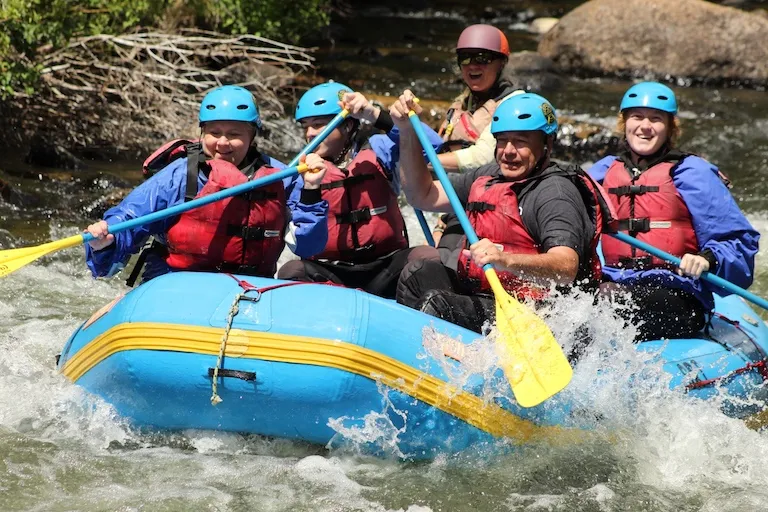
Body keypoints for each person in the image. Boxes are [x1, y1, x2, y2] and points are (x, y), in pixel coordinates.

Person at [391, 90, 610, 333]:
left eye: (521, 142)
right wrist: (407, 131)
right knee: (417, 273)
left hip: (539, 313)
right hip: (490, 294)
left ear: (547, 144)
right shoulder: (489, 176)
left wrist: (504, 260)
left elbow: (566, 266)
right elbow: (422, 196)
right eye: (502, 140)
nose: (508, 151)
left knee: (437, 304)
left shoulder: (555, 193)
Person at [84, 85, 328, 282]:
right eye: (214, 132)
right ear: (202, 133)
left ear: (252, 138)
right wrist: (105, 241)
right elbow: (128, 219)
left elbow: (309, 246)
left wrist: (311, 190)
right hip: (176, 283)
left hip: (249, 287)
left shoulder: (280, 177)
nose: (222, 143)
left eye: (234, 134)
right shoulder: (181, 176)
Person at [588, 81, 760, 341]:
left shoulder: (693, 173)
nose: (645, 126)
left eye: (656, 119)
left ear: (670, 128)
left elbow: (738, 242)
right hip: (615, 281)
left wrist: (707, 258)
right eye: (637, 117)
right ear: (624, 124)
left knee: (608, 301)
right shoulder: (602, 172)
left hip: (677, 292)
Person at [276, 82, 442, 298]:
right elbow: (305, 247)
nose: (309, 134)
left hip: (384, 266)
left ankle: (430, 323)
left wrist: (373, 114)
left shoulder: (379, 149)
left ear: (347, 126)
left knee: (427, 257)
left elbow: (432, 145)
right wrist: (311, 188)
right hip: (332, 271)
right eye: (305, 126)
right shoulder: (299, 173)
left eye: (318, 125)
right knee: (291, 271)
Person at [432, 24, 519, 262]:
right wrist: (440, 224)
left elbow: (483, 156)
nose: (473, 65)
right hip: (458, 205)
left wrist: (429, 161)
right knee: (435, 263)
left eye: (482, 58)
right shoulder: (459, 106)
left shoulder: (514, 104)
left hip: (498, 205)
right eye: (465, 58)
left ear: (501, 62)